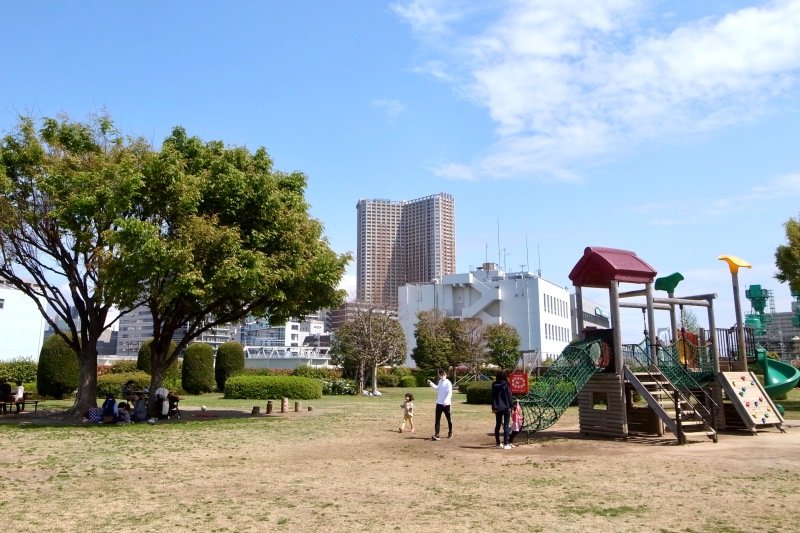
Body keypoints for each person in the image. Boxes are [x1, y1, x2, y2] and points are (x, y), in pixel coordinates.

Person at [427, 369, 452, 441]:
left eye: (443, 374)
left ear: (446, 375)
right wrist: (431, 383)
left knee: (449, 419)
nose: (442, 376)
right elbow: (437, 388)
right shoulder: (440, 382)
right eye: (441, 375)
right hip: (439, 403)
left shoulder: (448, 383)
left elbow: (449, 393)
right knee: (437, 419)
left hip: (446, 404)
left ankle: (450, 432)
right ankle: (437, 434)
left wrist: (446, 401)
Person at [491, 370, 513, 449]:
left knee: (498, 425)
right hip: (506, 406)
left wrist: (493, 407)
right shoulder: (506, 384)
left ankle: (498, 443)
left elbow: (493, 396)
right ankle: (506, 444)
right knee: (506, 426)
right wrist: (511, 405)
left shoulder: (494, 384)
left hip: (497, 407)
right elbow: (509, 396)